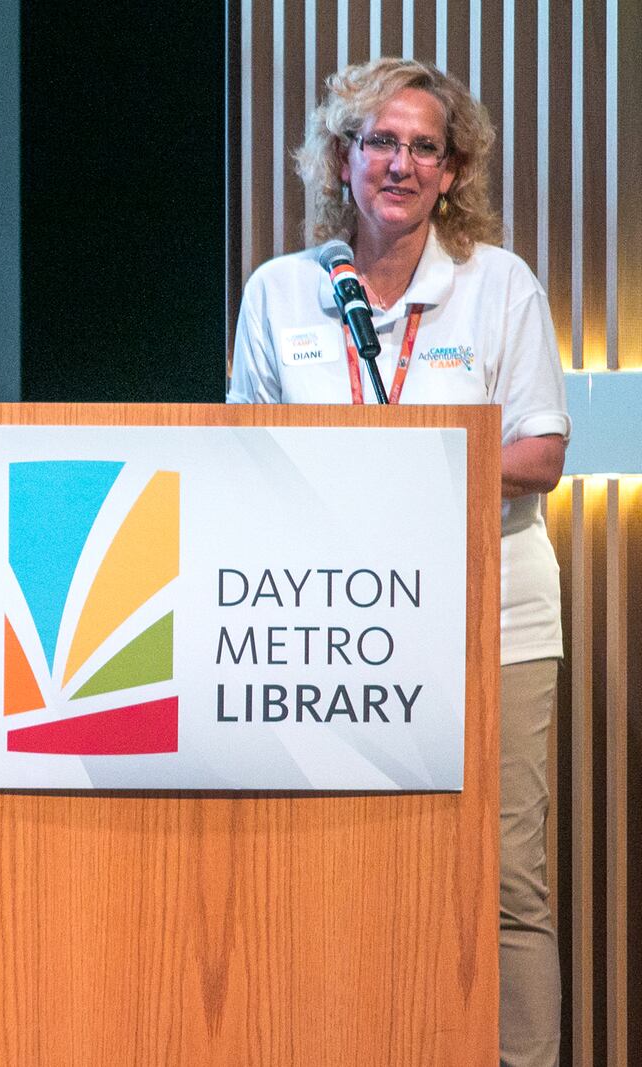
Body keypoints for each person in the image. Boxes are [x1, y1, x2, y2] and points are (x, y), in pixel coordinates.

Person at [227, 58, 568, 1067]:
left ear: (454, 171)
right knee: (347, 865)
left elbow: (540, 454)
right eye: (380, 140)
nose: (402, 163)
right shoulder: (281, 293)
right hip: (330, 625)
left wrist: (399, 469)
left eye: (425, 146)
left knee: (506, 875)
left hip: (494, 616)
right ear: (341, 160)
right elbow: (243, 459)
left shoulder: (497, 286)